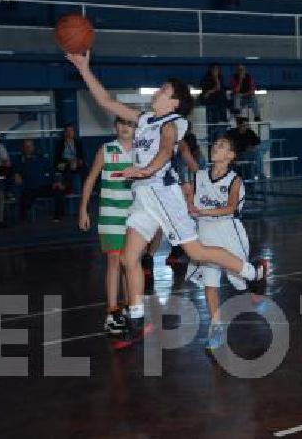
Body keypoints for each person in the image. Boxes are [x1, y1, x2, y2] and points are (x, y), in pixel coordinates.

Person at [64, 50, 269, 341]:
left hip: (163, 194)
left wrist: (144, 170)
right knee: (128, 257)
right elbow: (107, 101)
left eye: (163, 90)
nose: (158, 91)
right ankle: (135, 314)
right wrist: (84, 69)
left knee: (196, 253)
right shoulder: (144, 118)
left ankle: (252, 273)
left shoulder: (172, 123)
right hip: (143, 197)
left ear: (173, 102)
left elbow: (165, 151)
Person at [184, 137, 261, 350]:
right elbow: (191, 203)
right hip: (205, 232)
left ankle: (257, 278)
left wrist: (202, 211)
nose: (215, 147)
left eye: (222, 146)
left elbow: (230, 208)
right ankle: (217, 328)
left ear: (231, 156)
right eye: (215, 144)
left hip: (228, 231)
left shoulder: (234, 180)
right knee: (210, 285)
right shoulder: (199, 176)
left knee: (242, 281)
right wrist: (189, 201)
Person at [78, 116, 141, 335]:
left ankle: (129, 308)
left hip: (134, 215)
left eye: (130, 124)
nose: (125, 127)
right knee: (114, 261)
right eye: (122, 123)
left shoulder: (141, 152)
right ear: (115, 126)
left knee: (129, 262)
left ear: (136, 128)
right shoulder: (106, 149)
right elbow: (90, 179)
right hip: (111, 215)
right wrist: (83, 209)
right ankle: (111, 313)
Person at [13, 139, 66, 222]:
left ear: (33, 147)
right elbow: (15, 172)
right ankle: (22, 220)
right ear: (22, 148)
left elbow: (51, 171)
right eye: (26, 146)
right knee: (23, 197)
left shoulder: (41, 159)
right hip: (29, 188)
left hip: (43, 186)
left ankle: (57, 217)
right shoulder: (18, 160)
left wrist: (56, 182)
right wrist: (16, 174)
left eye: (30, 146)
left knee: (59, 190)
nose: (28, 148)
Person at [199, 63, 230, 142]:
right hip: (211, 105)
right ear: (211, 70)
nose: (216, 71)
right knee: (213, 125)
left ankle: (221, 139)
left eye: (217, 69)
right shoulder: (206, 79)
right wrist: (210, 91)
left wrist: (216, 78)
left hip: (221, 105)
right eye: (214, 69)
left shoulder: (220, 78)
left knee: (222, 124)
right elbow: (205, 93)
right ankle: (211, 140)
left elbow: (219, 88)